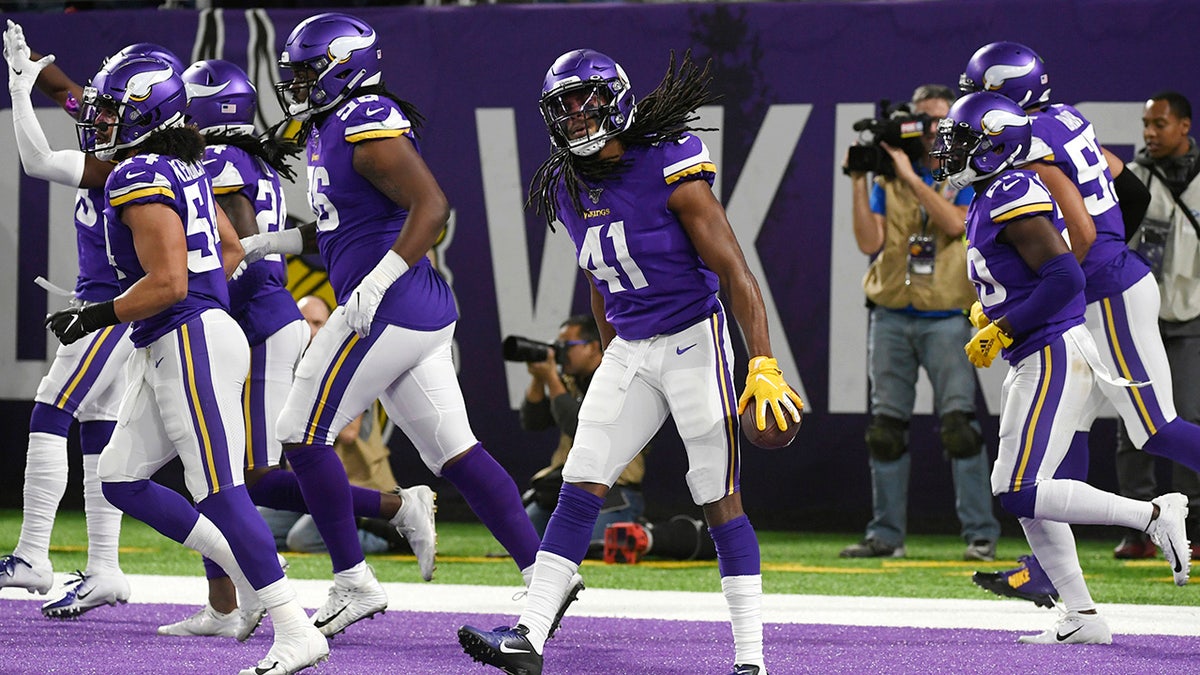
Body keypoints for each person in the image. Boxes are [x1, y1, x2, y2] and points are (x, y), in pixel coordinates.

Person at [457, 48, 803, 675]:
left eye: (585, 99)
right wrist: (609, 342)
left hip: (696, 337)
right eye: (562, 106)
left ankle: (750, 659)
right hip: (632, 346)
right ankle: (529, 638)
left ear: (614, 99)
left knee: (716, 494)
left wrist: (763, 362)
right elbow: (596, 272)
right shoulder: (565, 183)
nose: (576, 115)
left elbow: (733, 269)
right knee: (581, 476)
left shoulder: (669, 158)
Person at [244, 12, 545, 639]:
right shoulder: (330, 126)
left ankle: (353, 583)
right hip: (411, 308)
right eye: (293, 72)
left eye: (307, 70)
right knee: (454, 453)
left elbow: (432, 205)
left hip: (392, 303)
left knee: (300, 434)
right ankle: (544, 574)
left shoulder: (363, 117)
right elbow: (337, 228)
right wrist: (265, 241)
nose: (296, 83)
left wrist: (378, 281)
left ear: (346, 65)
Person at [53, 54, 327, 673]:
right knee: (121, 479)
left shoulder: (137, 174)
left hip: (187, 336)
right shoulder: (184, 164)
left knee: (221, 492)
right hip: (184, 335)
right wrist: (198, 305)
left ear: (146, 114)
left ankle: (293, 628)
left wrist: (99, 314)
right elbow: (231, 249)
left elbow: (171, 282)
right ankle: (249, 576)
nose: (98, 120)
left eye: (111, 110)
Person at [156, 60, 437, 641]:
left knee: (234, 474)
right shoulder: (246, 156)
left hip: (253, 323)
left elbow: (232, 249)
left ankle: (247, 595)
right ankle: (231, 601)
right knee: (228, 472)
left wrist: (194, 298)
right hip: (254, 322)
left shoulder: (220, 161)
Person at [932, 90, 1189, 645]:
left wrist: (1006, 324)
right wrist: (995, 306)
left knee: (1020, 488)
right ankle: (1082, 616)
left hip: (1050, 349)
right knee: (1023, 488)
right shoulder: (990, 192)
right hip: (1037, 350)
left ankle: (1153, 515)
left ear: (995, 143)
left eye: (961, 141)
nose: (949, 153)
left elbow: (1067, 277)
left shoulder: (1013, 189)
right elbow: (1024, 271)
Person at [0, 24, 188, 619]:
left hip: (112, 309)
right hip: (118, 306)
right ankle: (106, 568)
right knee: (98, 428)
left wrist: (17, 88)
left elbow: (35, 159)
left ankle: (32, 553)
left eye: (110, 112)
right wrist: (33, 64)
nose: (98, 120)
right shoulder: (133, 146)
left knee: (52, 407)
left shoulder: (125, 170)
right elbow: (72, 96)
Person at [843, 83, 1000, 561]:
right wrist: (859, 178)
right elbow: (868, 242)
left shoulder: (968, 172)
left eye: (939, 119)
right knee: (885, 430)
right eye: (923, 119)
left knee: (960, 427)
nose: (931, 128)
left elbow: (954, 225)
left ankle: (980, 534)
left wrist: (911, 177)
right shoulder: (888, 178)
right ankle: (885, 536)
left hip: (947, 317)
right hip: (890, 314)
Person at [1118, 91, 1200, 558]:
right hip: (1138, 312)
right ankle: (1137, 526)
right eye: (1146, 123)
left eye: (1160, 124)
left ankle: (1194, 527)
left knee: (1185, 417)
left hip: (1192, 313)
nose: (1149, 132)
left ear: (1184, 126)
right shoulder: (1133, 176)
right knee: (1134, 421)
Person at [521, 314, 646, 552]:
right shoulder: (569, 382)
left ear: (592, 347)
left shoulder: (617, 380)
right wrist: (539, 380)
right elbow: (533, 422)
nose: (560, 353)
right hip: (565, 489)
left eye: (567, 346)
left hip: (612, 492)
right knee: (521, 540)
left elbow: (579, 427)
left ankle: (635, 522)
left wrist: (551, 379)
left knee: (586, 549)